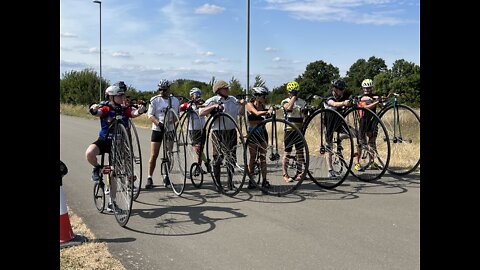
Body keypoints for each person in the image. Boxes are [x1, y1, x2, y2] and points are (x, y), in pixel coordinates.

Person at [85, 83, 147, 182]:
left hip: (119, 143)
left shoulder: (124, 109)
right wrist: (94, 109)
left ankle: (128, 183)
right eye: (119, 95)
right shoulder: (106, 108)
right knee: (89, 153)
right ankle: (97, 168)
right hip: (105, 140)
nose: (123, 97)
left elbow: (132, 113)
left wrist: (140, 111)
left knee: (117, 169)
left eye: (123, 95)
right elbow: (98, 113)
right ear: (111, 97)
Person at [199, 80, 245, 186]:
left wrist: (243, 105)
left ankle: (230, 182)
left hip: (231, 131)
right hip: (217, 132)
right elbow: (201, 112)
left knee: (231, 158)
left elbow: (241, 113)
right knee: (218, 157)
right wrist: (213, 107)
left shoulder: (233, 100)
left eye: (228, 88)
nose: (228, 90)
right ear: (219, 90)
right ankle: (218, 183)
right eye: (226, 88)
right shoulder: (213, 100)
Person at [145, 79, 180, 189]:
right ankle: (149, 177)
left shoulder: (175, 100)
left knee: (169, 153)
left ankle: (166, 176)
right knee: (154, 155)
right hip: (157, 130)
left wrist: (170, 122)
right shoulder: (155, 100)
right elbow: (150, 115)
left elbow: (176, 115)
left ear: (169, 89)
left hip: (170, 129)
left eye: (164, 89)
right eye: (160, 89)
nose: (162, 91)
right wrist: (159, 124)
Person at [246, 87, 273, 189]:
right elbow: (256, 113)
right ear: (257, 96)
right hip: (252, 133)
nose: (265, 98)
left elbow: (266, 114)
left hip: (262, 132)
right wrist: (267, 111)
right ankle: (251, 180)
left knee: (263, 157)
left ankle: (264, 180)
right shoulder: (249, 105)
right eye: (263, 96)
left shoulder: (263, 105)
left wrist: (270, 110)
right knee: (253, 157)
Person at [323, 79, 352, 178]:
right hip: (329, 124)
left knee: (354, 134)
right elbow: (333, 104)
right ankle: (330, 170)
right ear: (334, 89)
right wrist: (344, 103)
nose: (342, 90)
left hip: (339, 123)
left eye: (343, 89)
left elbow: (350, 96)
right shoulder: (329, 96)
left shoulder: (342, 95)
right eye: (340, 89)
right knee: (329, 147)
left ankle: (339, 138)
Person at [280, 81, 307, 183]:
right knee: (287, 152)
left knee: (300, 152)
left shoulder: (302, 102)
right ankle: (285, 174)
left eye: (295, 92)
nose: (294, 93)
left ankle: (300, 172)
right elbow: (288, 109)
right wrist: (293, 98)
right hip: (289, 130)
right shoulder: (285, 101)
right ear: (288, 92)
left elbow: (304, 116)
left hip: (299, 130)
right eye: (292, 92)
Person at [354, 79, 381, 171]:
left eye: (369, 88)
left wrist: (382, 100)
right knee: (360, 143)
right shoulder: (361, 97)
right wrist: (377, 101)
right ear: (363, 88)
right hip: (363, 121)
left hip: (373, 121)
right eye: (366, 88)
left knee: (372, 142)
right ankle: (357, 163)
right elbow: (366, 107)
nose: (367, 90)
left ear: (372, 88)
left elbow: (380, 102)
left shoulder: (374, 96)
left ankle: (372, 162)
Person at [179, 87, 207, 165]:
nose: (198, 96)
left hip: (202, 128)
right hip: (193, 130)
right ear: (191, 96)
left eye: (199, 94)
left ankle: (199, 166)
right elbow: (179, 108)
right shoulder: (188, 104)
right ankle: (206, 162)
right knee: (197, 149)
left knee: (201, 149)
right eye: (196, 94)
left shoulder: (203, 103)